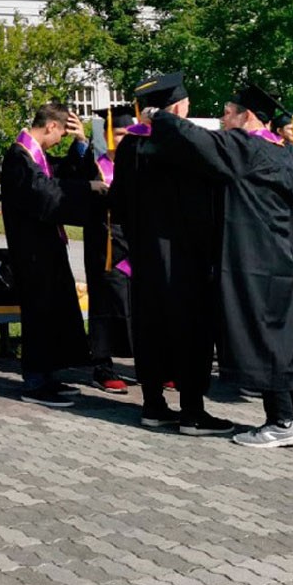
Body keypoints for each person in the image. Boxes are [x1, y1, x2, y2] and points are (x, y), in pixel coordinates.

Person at [150, 85, 293, 448]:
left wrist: (158, 116)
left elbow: (196, 140)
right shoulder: (284, 152)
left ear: (247, 117)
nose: (222, 119)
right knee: (283, 337)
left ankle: (281, 422)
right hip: (281, 259)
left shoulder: (246, 146)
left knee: (265, 337)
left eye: (227, 111)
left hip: (254, 260)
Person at [109, 73, 222, 432]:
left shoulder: (129, 146)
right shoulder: (184, 145)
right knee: (190, 328)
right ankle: (192, 410)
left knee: (150, 327)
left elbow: (119, 204)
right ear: (178, 107)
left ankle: (153, 405)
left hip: (144, 255)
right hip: (185, 256)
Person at [0, 102, 101, 407]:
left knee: (53, 310)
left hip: (47, 248)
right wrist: (87, 188)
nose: (60, 141)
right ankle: (34, 382)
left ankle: (48, 376)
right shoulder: (18, 156)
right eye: (62, 134)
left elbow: (61, 173)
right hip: (31, 251)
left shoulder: (36, 155)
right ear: (51, 126)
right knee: (39, 313)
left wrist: (82, 143)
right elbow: (44, 192)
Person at [57, 104, 134, 393]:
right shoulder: (95, 162)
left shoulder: (139, 161)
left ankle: (154, 363)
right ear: (109, 135)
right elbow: (69, 176)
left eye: (130, 133)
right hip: (105, 245)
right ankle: (103, 365)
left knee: (142, 302)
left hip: (136, 243)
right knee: (106, 301)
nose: (125, 139)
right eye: (120, 133)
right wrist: (79, 143)